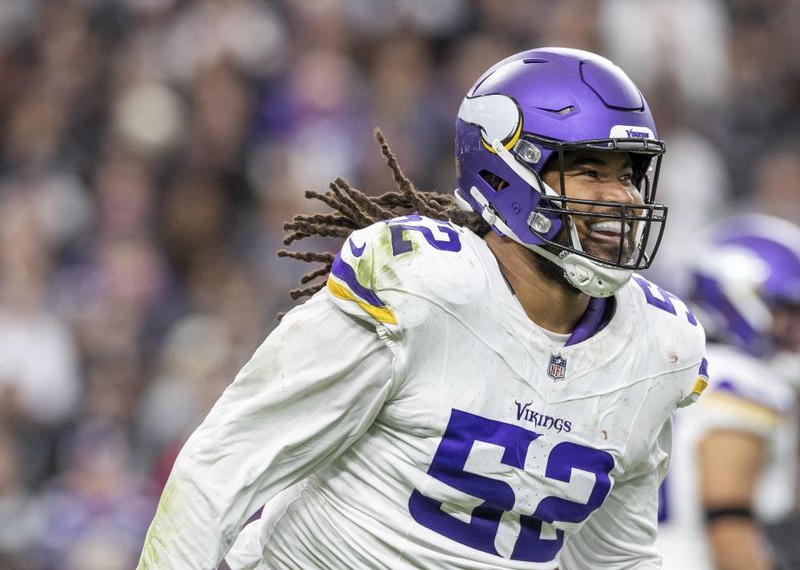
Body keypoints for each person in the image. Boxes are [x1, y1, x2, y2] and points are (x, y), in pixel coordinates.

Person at [137, 47, 708, 570]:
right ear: (509, 169)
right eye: (590, 171)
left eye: (629, 175)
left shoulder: (657, 348)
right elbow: (221, 471)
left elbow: (615, 560)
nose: (623, 199)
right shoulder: (422, 289)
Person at [657, 214, 800, 570]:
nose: (794, 329)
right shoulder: (745, 381)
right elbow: (728, 524)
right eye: (787, 312)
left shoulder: (682, 363)